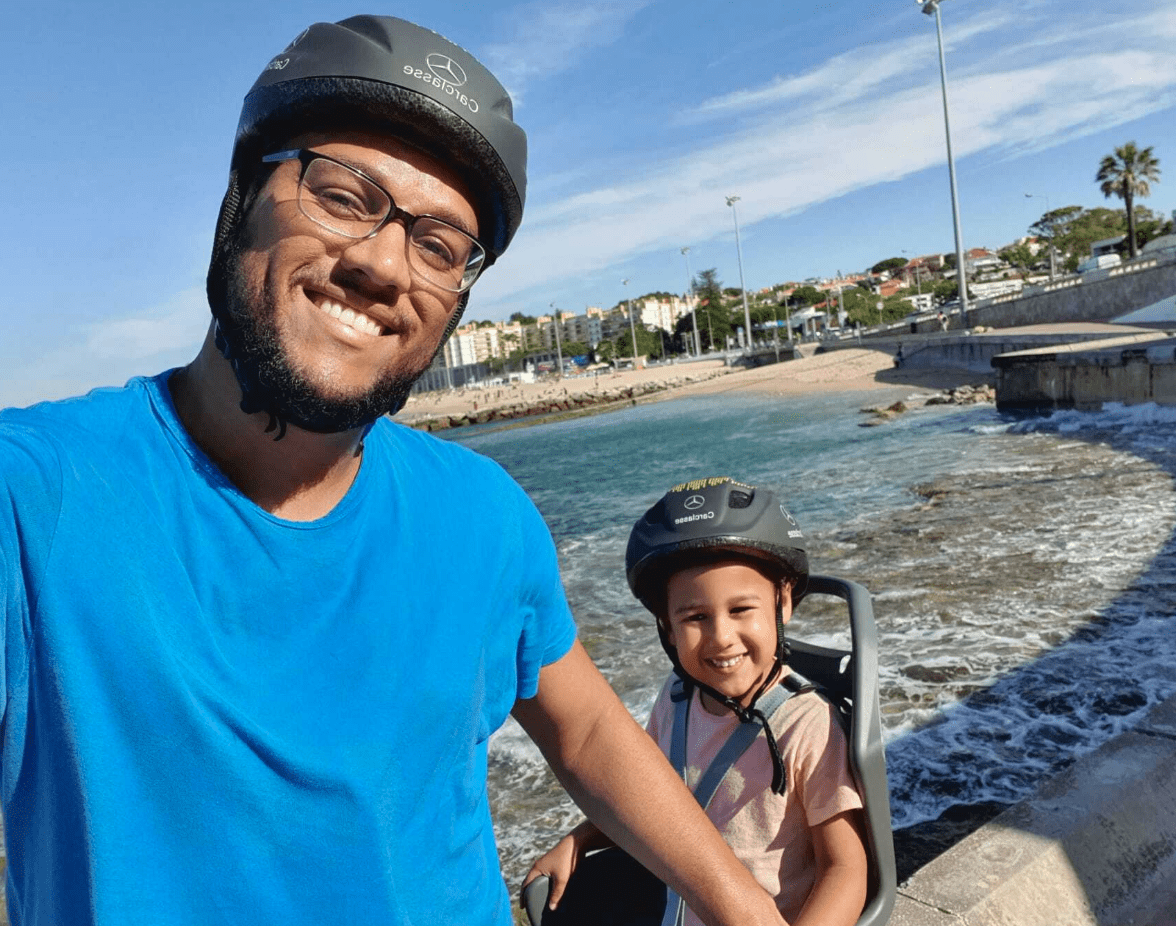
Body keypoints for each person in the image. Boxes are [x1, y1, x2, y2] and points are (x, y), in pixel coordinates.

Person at [0, 17, 787, 926]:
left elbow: (589, 729)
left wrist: (743, 909)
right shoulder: (36, 497)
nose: (381, 264)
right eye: (341, 195)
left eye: (441, 247)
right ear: (239, 200)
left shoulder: (481, 515)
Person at [525, 478, 868, 926]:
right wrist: (582, 839)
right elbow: (649, 799)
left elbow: (846, 868)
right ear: (665, 626)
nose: (722, 637)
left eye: (741, 610)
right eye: (695, 617)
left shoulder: (807, 725)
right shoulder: (676, 698)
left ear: (783, 602)